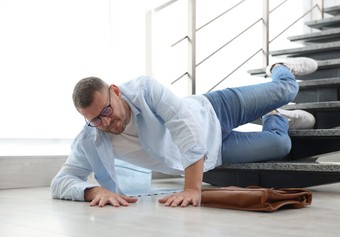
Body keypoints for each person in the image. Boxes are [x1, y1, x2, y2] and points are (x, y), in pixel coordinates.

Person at [51, 57, 317, 208]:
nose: (105, 123)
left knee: (287, 91)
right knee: (280, 144)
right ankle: (276, 116)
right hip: (215, 152)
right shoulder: (91, 137)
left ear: (116, 92)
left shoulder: (144, 89)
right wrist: (93, 191)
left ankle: (280, 67)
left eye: (106, 112)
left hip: (214, 109)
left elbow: (182, 124)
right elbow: (61, 181)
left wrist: (191, 187)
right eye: (95, 120)